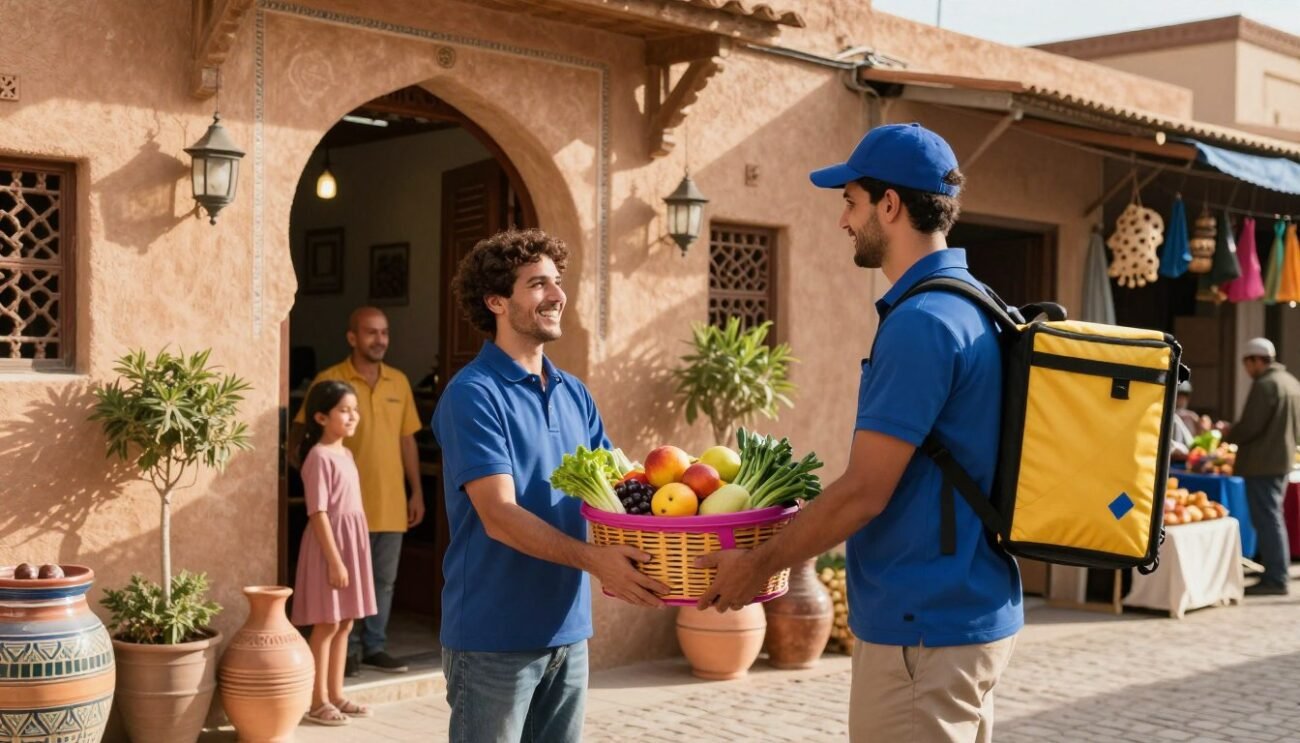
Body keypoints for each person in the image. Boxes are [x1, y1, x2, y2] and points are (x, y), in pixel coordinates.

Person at [696, 123, 1020, 743]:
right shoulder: (975, 303)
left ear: (890, 205)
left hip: (922, 628)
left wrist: (758, 567)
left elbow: (865, 490)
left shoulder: (922, 321)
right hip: (964, 612)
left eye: (851, 201)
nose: (844, 220)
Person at [432, 228, 669, 743]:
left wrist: (696, 516)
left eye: (558, 282)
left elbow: (618, 488)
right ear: (497, 301)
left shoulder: (573, 392)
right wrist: (595, 561)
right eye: (538, 284)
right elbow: (498, 515)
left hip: (568, 632)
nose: (558, 296)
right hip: (492, 637)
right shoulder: (473, 395)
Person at [294, 307, 424, 675]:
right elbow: (303, 433)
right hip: (341, 510)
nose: (379, 340)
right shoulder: (330, 380)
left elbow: (407, 441)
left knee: (381, 580)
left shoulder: (399, 381)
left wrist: (416, 491)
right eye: (370, 332)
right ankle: (345, 652)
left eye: (384, 332)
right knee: (342, 582)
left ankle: (374, 646)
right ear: (352, 337)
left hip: (390, 502)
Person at [292, 380, 378, 727]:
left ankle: (337, 693)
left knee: (345, 623)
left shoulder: (346, 454)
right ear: (321, 417)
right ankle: (318, 701)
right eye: (344, 410)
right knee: (326, 624)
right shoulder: (318, 457)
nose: (352, 416)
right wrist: (335, 560)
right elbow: (318, 512)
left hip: (351, 543)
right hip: (329, 547)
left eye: (354, 409)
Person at [1224, 337, 1300, 596]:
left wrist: (1228, 434)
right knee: (1273, 518)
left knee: (1268, 519)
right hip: (1281, 461)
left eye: (1247, 363)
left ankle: (1275, 577)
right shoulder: (1291, 383)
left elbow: (1250, 426)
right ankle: (1276, 572)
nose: (1247, 370)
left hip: (1262, 463)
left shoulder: (1266, 385)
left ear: (1257, 360)